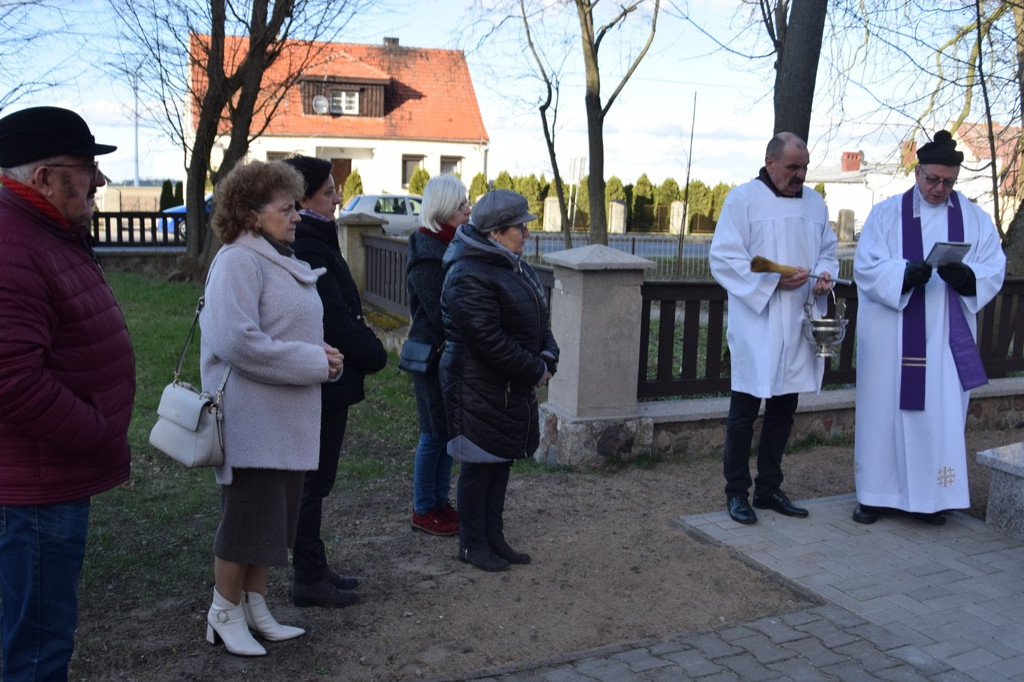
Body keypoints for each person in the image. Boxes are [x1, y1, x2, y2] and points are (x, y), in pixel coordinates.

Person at [0, 106, 135, 682]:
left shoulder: (41, 230)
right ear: (43, 178)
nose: (99, 180)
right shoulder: (13, 243)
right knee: (37, 646)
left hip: (47, 479)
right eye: (86, 166)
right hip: (35, 488)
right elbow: (12, 381)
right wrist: (95, 430)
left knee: (39, 631)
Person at [200, 160, 344, 656]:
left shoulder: (277, 258)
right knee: (244, 523)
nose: (297, 216)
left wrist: (325, 358)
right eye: (286, 208)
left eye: (296, 205)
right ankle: (222, 611)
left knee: (272, 524)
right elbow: (237, 342)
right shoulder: (238, 262)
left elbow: (287, 333)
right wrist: (312, 361)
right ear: (251, 214)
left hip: (283, 420)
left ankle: (254, 606)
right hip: (251, 421)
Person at [852, 130, 1006, 526]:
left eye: (948, 182)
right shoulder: (886, 214)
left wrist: (966, 278)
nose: (939, 189)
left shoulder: (973, 217)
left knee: (937, 415)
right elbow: (865, 267)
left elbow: (993, 266)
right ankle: (876, 496)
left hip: (944, 340)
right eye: (932, 179)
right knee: (883, 414)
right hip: (893, 334)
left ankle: (932, 499)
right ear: (916, 172)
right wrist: (904, 275)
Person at [709, 132, 838, 526]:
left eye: (804, 167)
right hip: (758, 323)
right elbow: (725, 258)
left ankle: (768, 488)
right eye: (792, 167)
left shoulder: (815, 204)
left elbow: (827, 249)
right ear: (770, 162)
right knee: (744, 413)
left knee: (783, 409)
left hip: (798, 320)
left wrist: (824, 275)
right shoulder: (743, 199)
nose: (800, 175)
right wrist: (771, 283)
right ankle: (736, 493)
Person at [283, 155, 387, 607]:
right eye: (328, 191)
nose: (338, 197)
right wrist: (375, 352)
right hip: (321, 380)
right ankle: (307, 575)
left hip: (331, 377)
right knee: (312, 482)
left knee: (317, 481)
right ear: (303, 198)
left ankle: (314, 567)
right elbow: (332, 319)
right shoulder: (307, 243)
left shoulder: (316, 237)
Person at [440, 189, 559, 572]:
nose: (527, 234)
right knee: (479, 467)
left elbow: (540, 318)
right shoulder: (468, 272)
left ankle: (493, 537)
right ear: (494, 232)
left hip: (506, 388)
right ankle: (472, 545)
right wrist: (535, 369)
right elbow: (488, 341)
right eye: (519, 228)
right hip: (476, 386)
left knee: (499, 463)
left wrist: (548, 355)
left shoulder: (511, 263)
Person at [407, 175, 472, 536]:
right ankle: (423, 508)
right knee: (433, 434)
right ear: (443, 209)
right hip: (432, 358)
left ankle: (439, 502)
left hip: (450, 357)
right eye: (461, 205)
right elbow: (438, 310)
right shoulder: (426, 254)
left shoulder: (451, 246)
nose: (467, 211)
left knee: (447, 433)